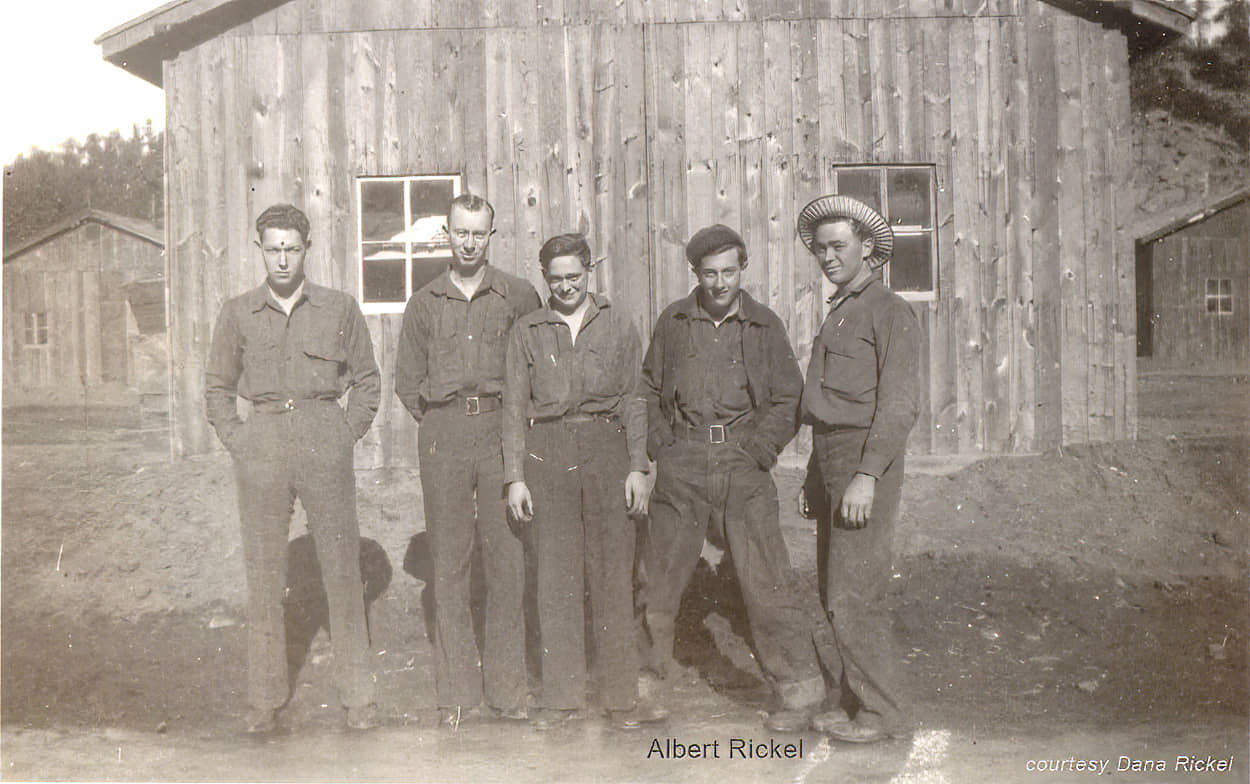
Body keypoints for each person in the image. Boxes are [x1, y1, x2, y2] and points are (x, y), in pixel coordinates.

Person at [638, 223, 827, 732]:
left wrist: (759, 451)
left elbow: (790, 397)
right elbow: (648, 390)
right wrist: (664, 447)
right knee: (659, 579)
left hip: (742, 466)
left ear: (742, 269)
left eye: (728, 272)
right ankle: (645, 686)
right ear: (695, 274)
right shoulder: (674, 322)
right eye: (709, 273)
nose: (719, 283)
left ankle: (801, 692)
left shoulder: (764, 326)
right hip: (683, 464)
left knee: (765, 579)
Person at [205, 203, 380, 734]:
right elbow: (216, 389)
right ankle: (264, 700)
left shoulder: (338, 307)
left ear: (307, 248)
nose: (282, 258)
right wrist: (242, 442)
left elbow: (368, 380)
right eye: (273, 247)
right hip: (263, 443)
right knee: (263, 576)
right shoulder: (237, 313)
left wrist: (343, 434)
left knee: (343, 574)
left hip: (323, 435)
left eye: (292, 247)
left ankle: (359, 697)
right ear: (260, 250)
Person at [501, 234, 666, 731]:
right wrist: (515, 477)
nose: (566, 286)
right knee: (555, 575)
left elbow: (636, 399)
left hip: (606, 449)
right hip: (547, 452)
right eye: (556, 278)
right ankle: (562, 698)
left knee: (613, 573)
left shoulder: (617, 323)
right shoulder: (527, 329)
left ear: (589, 271)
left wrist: (638, 466)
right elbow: (512, 407)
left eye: (575, 276)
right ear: (544, 278)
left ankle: (620, 698)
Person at [394, 193, 541, 727]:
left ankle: (506, 690)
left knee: (505, 561)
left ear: (492, 237)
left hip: (502, 432)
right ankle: (456, 692)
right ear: (447, 235)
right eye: (461, 233)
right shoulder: (424, 302)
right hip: (446, 433)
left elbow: (536, 365)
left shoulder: (518, 296)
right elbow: (407, 383)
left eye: (480, 233)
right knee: (450, 564)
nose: (470, 242)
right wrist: (441, 423)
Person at [796, 194, 921, 743]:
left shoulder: (889, 311)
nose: (827, 256)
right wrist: (811, 473)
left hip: (864, 460)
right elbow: (825, 405)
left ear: (868, 249)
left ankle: (882, 712)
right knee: (833, 588)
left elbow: (898, 405)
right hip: (830, 457)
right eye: (820, 248)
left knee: (855, 593)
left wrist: (867, 476)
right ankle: (852, 701)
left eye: (838, 246)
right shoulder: (841, 310)